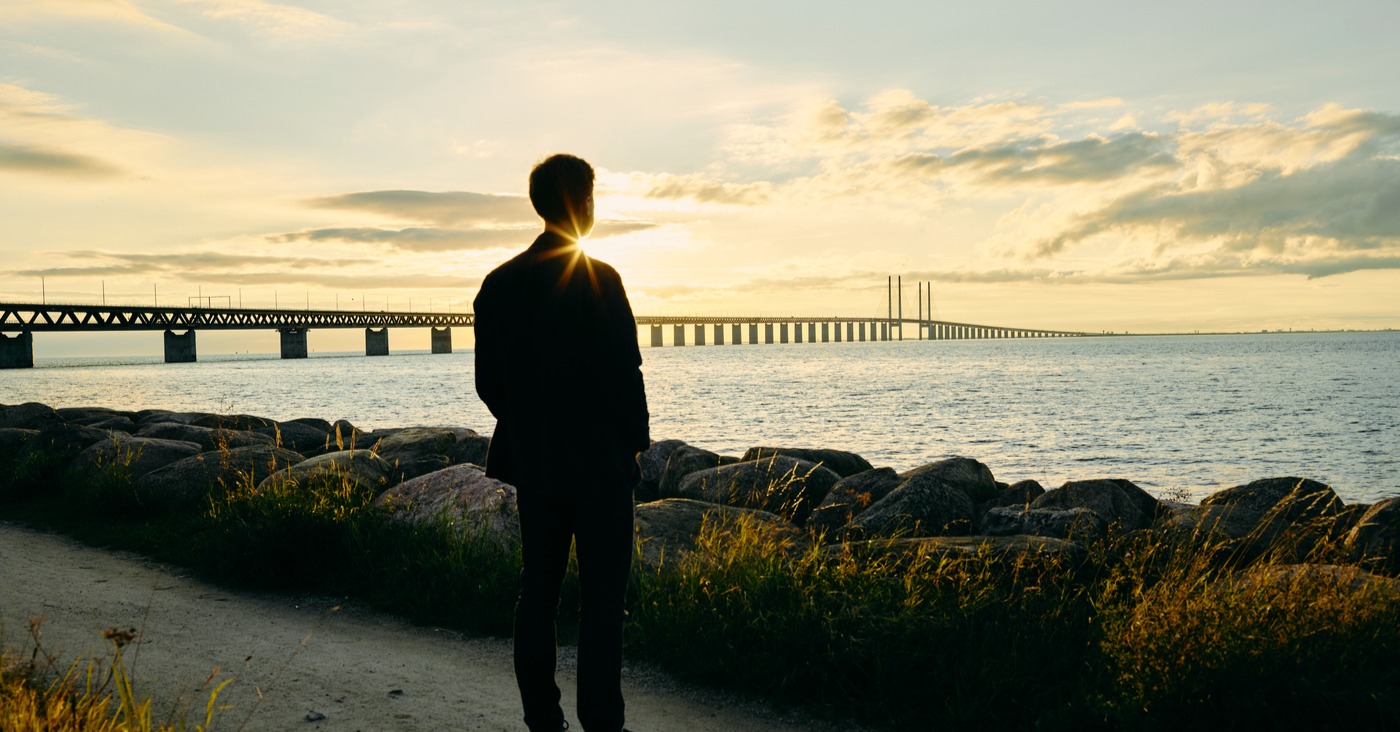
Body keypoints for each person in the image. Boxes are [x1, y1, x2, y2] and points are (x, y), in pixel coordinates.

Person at [473, 153, 649, 732]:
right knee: (602, 606)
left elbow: (487, 384)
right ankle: (603, 722)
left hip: (537, 465)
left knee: (538, 595)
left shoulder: (496, 287)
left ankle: (543, 721)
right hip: (600, 467)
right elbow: (626, 374)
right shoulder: (602, 279)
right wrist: (635, 444)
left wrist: (528, 424)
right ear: (585, 204)